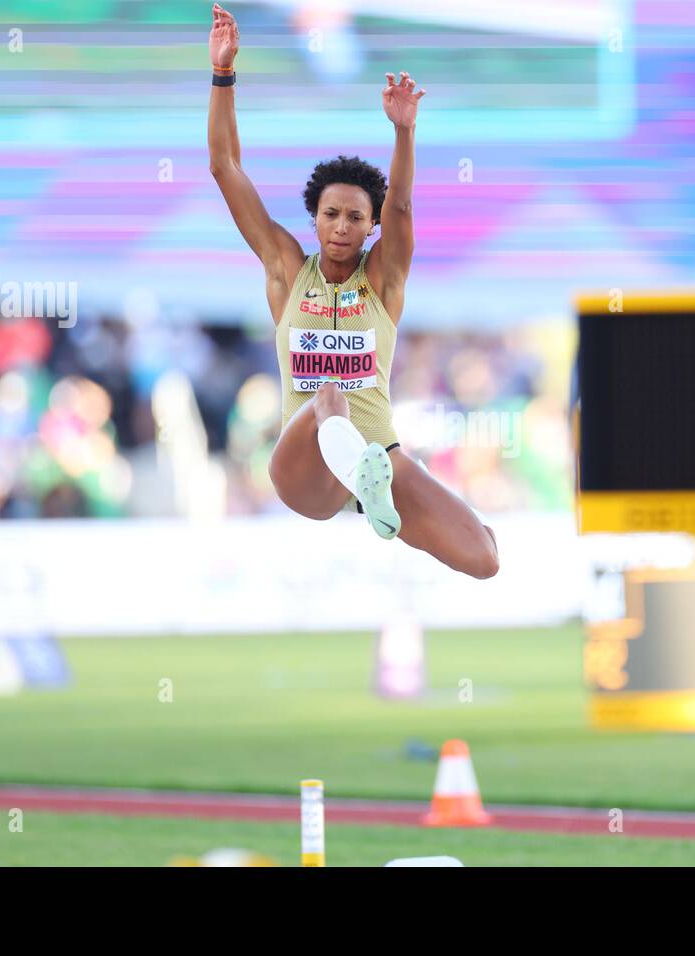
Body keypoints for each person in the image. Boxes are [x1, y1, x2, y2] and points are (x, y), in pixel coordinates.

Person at [206, 4, 499, 579]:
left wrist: (404, 130)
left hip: (380, 459)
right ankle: (362, 472)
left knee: (484, 556)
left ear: (373, 227)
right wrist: (223, 75)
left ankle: (376, 492)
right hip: (306, 468)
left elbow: (404, 205)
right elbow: (225, 168)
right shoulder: (288, 270)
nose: (342, 227)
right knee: (330, 394)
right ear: (314, 220)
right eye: (331, 215)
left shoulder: (383, 280)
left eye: (355, 218)